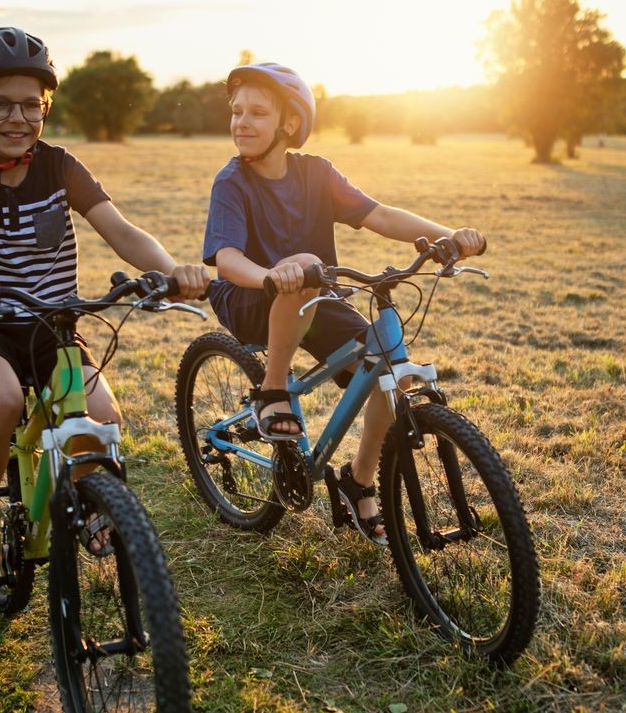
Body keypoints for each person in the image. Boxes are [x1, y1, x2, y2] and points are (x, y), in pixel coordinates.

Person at [0, 26, 209, 587]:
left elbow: (121, 231)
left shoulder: (61, 166)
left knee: (105, 418)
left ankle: (90, 505)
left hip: (53, 322)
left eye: (31, 106)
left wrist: (169, 269)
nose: (17, 119)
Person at [203, 63, 485, 545]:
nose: (241, 122)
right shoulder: (231, 182)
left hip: (315, 297)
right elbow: (226, 258)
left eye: (256, 112)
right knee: (306, 269)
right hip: (251, 297)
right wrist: (271, 276)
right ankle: (272, 391)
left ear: (289, 124)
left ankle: (358, 480)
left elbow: (380, 214)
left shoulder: (316, 173)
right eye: (236, 112)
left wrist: (448, 236)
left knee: (386, 372)